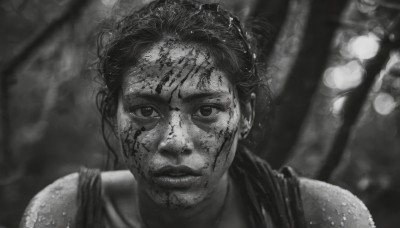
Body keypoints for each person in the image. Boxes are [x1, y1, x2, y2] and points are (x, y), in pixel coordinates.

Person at [20, 0, 375, 227]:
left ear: (245, 115)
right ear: (114, 115)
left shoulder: (322, 218)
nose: (175, 141)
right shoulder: (66, 213)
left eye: (206, 110)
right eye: (146, 110)